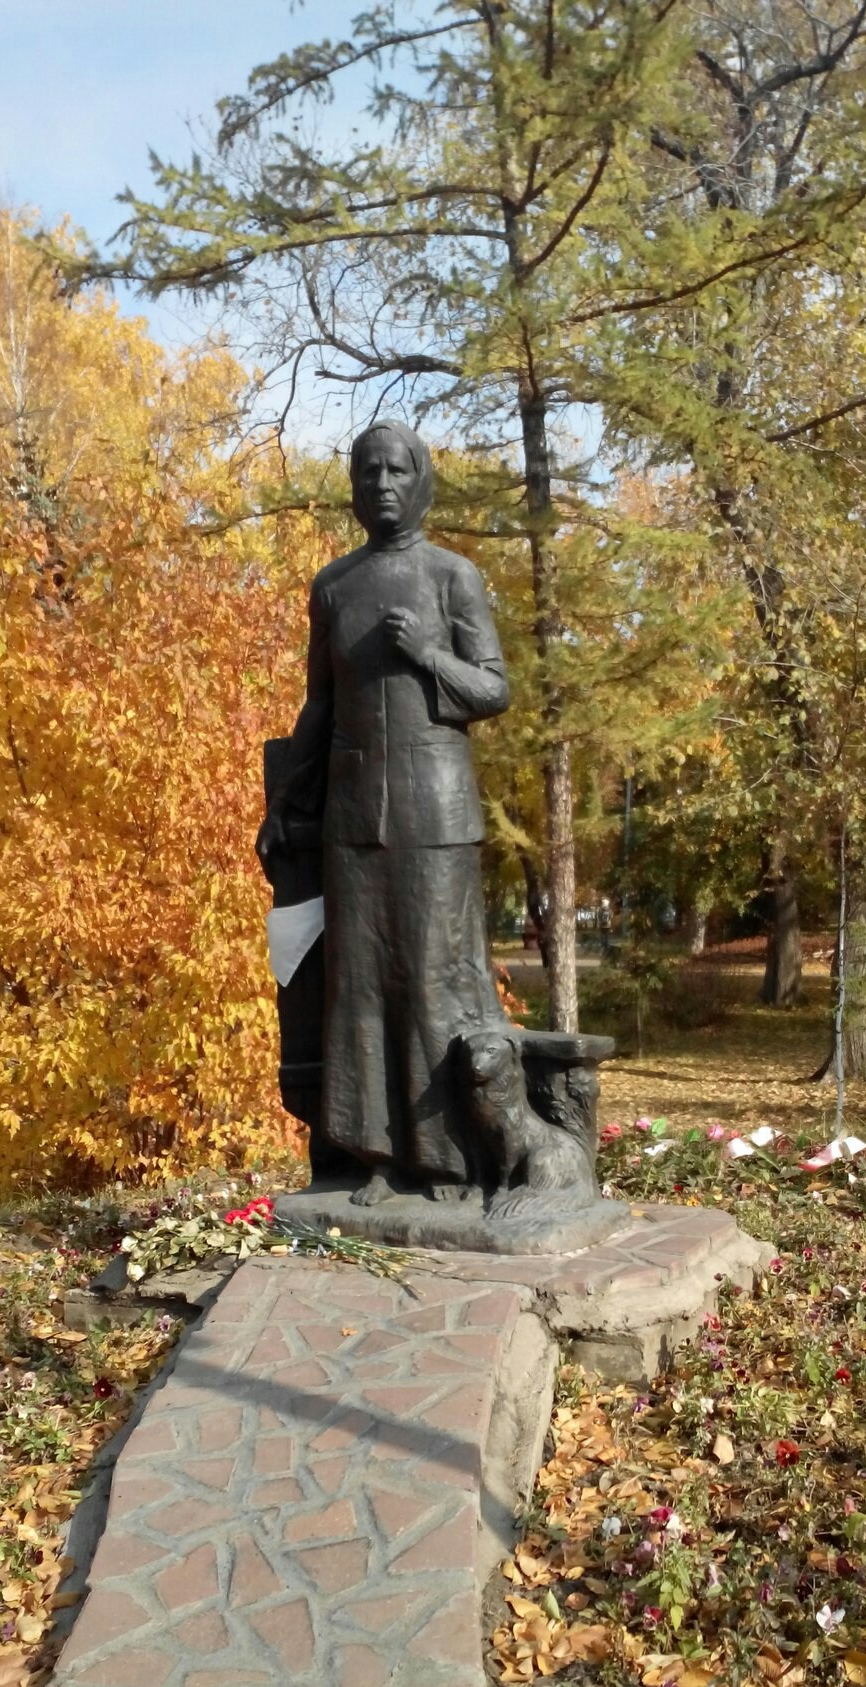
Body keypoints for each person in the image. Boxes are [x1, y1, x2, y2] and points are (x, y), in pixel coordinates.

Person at [262, 421, 511, 1206]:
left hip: (436, 812)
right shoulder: (333, 586)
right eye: (368, 473)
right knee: (359, 986)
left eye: (397, 471)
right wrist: (286, 798)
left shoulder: (452, 577)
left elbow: (493, 690)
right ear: (355, 487)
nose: (382, 485)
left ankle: (444, 1159)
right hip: (352, 816)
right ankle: (369, 1155)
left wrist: (427, 655)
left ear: (421, 478)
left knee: (434, 982)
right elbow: (320, 706)